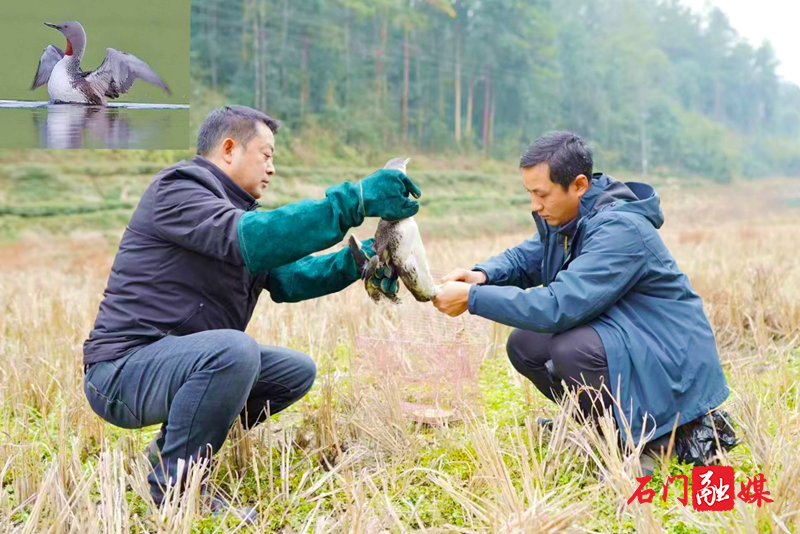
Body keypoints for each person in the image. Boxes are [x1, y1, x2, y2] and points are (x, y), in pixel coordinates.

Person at [82, 105, 421, 521]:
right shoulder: (178, 190)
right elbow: (253, 240)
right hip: (121, 371)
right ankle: (178, 489)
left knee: (294, 371)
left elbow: (292, 278)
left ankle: (168, 452)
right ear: (229, 149)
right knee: (234, 352)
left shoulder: (240, 217)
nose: (272, 168)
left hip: (179, 364)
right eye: (267, 154)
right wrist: (356, 201)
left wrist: (361, 260)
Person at [432, 131, 729, 469]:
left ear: (579, 185)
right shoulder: (573, 218)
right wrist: (481, 276)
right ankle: (601, 429)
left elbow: (556, 307)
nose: (535, 205)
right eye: (529, 193)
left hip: (668, 355)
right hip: (630, 334)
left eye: (541, 194)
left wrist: (473, 298)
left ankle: (652, 441)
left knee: (571, 348)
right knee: (526, 344)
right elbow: (528, 257)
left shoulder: (620, 229)